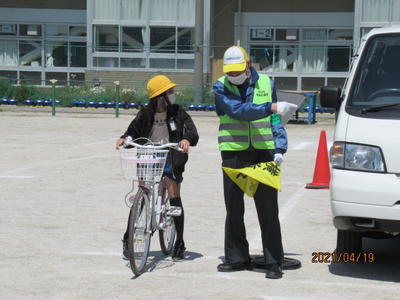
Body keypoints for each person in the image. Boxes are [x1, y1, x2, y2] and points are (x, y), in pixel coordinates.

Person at [213, 46, 297, 279]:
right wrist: (271, 106)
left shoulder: (267, 84)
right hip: (233, 152)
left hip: (264, 152)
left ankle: (273, 261)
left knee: (268, 208)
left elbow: (275, 119)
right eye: (229, 72)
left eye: (237, 71)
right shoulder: (220, 86)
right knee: (234, 208)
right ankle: (236, 257)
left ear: (248, 64)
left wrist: (280, 146)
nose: (233, 76)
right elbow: (238, 111)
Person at [116, 74, 199, 260]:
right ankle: (128, 239)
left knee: (173, 193)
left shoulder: (177, 112)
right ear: (160, 95)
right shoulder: (145, 113)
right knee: (141, 194)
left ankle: (179, 243)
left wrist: (186, 139)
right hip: (148, 155)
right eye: (170, 91)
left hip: (170, 154)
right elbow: (132, 131)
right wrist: (124, 139)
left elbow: (192, 132)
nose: (173, 94)